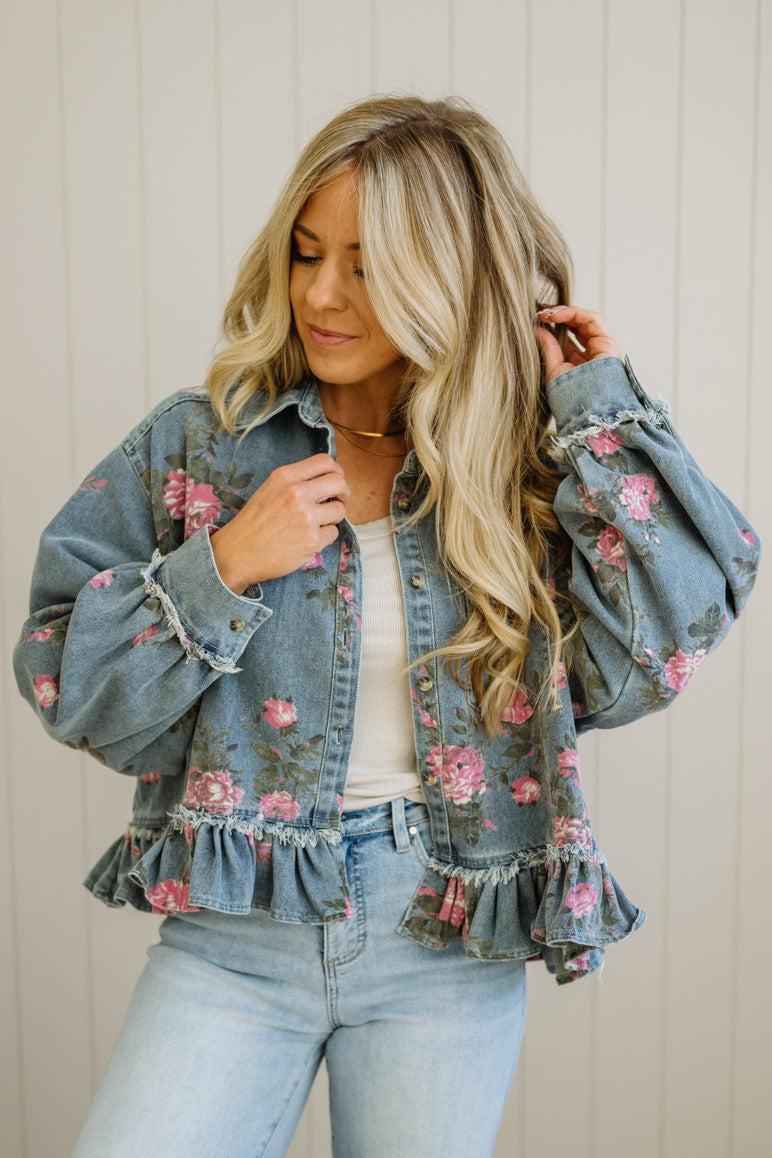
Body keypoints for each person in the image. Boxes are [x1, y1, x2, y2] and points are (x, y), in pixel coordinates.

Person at [13, 94, 761, 1157]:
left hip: (445, 935)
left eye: (366, 265)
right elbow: (62, 678)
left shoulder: (524, 470)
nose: (320, 295)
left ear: (445, 276)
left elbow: (664, 640)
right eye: (307, 253)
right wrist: (221, 566)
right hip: (236, 938)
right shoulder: (206, 443)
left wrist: (599, 409)